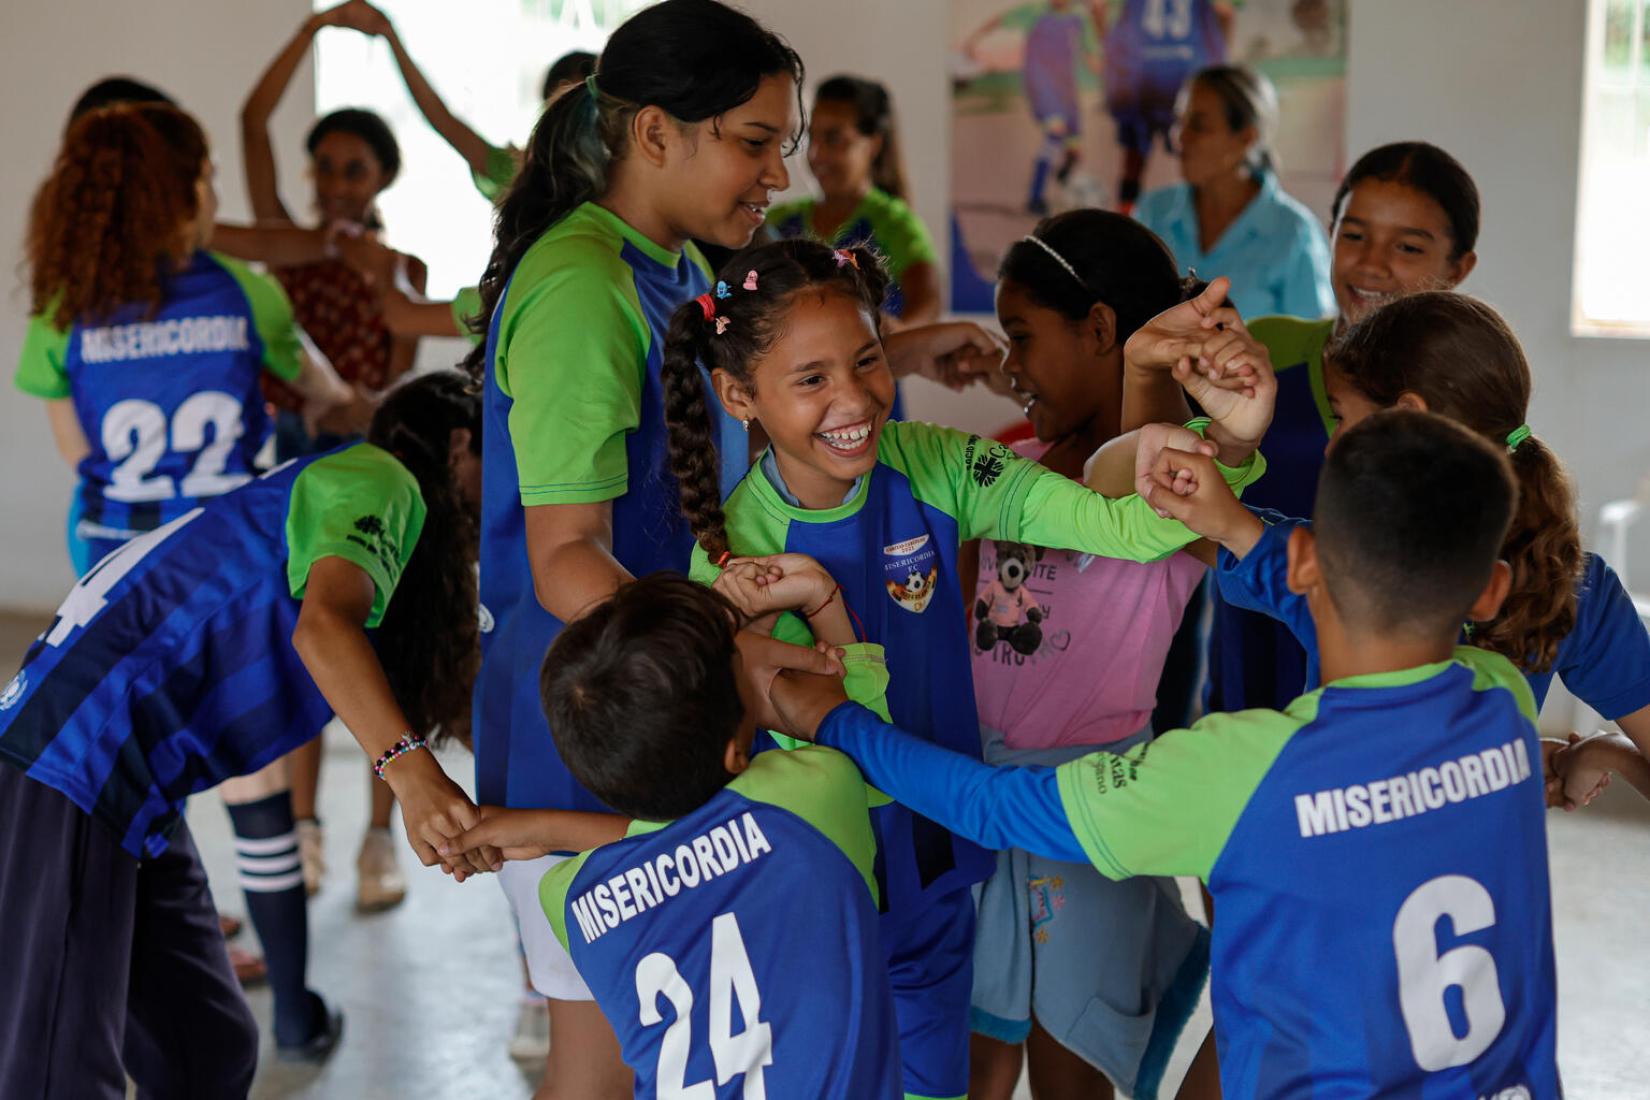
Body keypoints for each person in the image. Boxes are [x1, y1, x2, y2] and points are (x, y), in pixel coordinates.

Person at [769, 410, 1561, 1099]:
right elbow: (1376, 618)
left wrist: (837, 721)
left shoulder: (1242, 771)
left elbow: (995, 806)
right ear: (1489, 591)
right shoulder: (1504, 703)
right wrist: (1239, 529)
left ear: (1306, 559)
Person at [661, 236, 1270, 1099]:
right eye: (811, 379)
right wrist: (825, 610)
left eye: (868, 360)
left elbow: (1116, 526)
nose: (854, 400)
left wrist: (1225, 442)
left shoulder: (936, 464)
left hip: (941, 870)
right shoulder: (733, 560)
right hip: (822, 884)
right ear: (737, 395)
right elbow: (817, 747)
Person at [0, 372, 488, 1096]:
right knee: (56, 1075)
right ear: (457, 444)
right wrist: (408, 773)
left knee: (208, 1045)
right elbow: (323, 627)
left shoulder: (383, 538)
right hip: (73, 764)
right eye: (498, 463)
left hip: (130, 788)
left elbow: (454, 702)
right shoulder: (378, 477)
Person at [449, 574, 905, 1096]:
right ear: (737, 750)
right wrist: (822, 602)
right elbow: (849, 724)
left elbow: (674, 851)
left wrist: (550, 827)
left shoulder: (569, 900)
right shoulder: (817, 792)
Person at [1169, 292, 1650, 768]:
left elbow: (1174, 515)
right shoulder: (1572, 580)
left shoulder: (1335, 568)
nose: (1331, 446)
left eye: (1341, 416)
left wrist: (1204, 419)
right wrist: (1607, 755)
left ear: (1406, 417)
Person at [962, 212, 1218, 1100]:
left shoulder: (1186, 487)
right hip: (981, 803)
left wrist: (1157, 372)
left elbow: (1141, 467)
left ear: (1102, 330)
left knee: (1074, 1063)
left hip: (1093, 812)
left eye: (1023, 338)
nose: (1009, 367)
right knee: (973, 1058)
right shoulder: (1004, 461)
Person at [243, 0, 432, 910]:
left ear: (382, 176)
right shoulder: (293, 248)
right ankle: (305, 832)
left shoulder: (405, 271)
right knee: (298, 646)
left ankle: (375, 842)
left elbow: (391, 389)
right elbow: (249, 122)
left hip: (364, 467)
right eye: (323, 165)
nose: (332, 182)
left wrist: (354, 400)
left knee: (375, 651)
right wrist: (309, 33)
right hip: (288, 461)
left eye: (352, 168)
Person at [16, 101, 347, 575]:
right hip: (229, 550)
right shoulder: (246, 292)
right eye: (210, 179)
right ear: (182, 195)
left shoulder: (62, 308)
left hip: (112, 551)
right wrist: (332, 401)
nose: (214, 197)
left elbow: (78, 452)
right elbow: (325, 390)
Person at [1208, 141, 1482, 714]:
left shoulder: (1467, 392)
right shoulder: (1268, 350)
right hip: (1249, 658)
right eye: (1354, 235)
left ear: (1459, 267)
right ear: (1328, 234)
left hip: (1379, 698)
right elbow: (1200, 503)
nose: (1372, 263)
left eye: (1408, 246)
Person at [1135, 64, 1334, 320]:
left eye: (1199, 125)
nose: (1180, 137)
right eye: (1179, 121)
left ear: (1247, 138)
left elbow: (1310, 346)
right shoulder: (1153, 212)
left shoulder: (1293, 233)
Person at [767, 76, 940, 327]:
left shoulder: (894, 224)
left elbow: (928, 303)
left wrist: (894, 338)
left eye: (834, 138)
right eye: (809, 137)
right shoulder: (778, 221)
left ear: (873, 145)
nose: (816, 153)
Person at [1090, 0, 1234, 214]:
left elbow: (1116, 44)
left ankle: (1128, 217)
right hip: (1170, 84)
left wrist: (1100, 22)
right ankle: (1126, 221)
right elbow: (1223, 26)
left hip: (1156, 87)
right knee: (1146, 159)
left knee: (1141, 161)